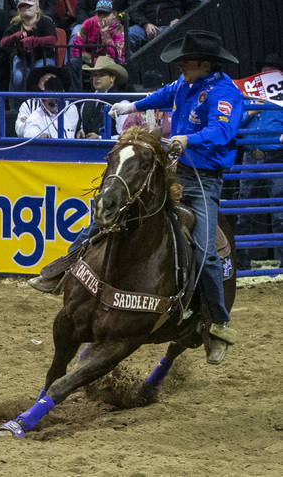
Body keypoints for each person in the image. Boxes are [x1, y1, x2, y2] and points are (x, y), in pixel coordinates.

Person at [107, 30, 243, 364]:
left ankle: (218, 322)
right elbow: (164, 94)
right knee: (120, 204)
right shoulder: (184, 86)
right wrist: (133, 105)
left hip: (203, 181)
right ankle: (68, 266)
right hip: (174, 171)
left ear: (204, 64)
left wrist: (188, 139)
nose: (181, 67)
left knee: (207, 252)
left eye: (186, 63)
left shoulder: (224, 93)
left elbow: (222, 131)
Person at [235, 54, 283, 272]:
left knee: (279, 210)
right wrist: (252, 109)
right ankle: (242, 263)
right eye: (263, 72)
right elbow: (233, 122)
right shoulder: (246, 96)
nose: (266, 76)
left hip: (275, 156)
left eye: (270, 72)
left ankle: (281, 262)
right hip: (250, 156)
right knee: (244, 210)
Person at [1, 0, 57, 91]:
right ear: (19, 10)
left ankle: (38, 102)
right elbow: (3, 43)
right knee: (18, 77)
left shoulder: (46, 21)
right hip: (22, 58)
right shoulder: (15, 24)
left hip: (43, 57)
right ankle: (17, 104)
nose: (26, 8)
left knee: (36, 74)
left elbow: (52, 39)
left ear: (37, 9)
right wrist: (14, 37)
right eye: (23, 6)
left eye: (29, 5)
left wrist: (34, 41)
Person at [71, 0, 124, 87]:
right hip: (91, 59)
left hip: (110, 61)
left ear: (114, 14)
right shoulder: (88, 23)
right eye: (100, 14)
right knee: (74, 61)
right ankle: (76, 95)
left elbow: (117, 55)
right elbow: (76, 48)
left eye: (106, 14)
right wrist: (92, 60)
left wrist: (105, 34)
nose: (102, 17)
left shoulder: (118, 29)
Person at [77, 54, 127, 138]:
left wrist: (100, 138)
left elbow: (124, 135)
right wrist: (80, 131)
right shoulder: (86, 102)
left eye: (101, 75)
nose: (97, 78)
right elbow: (82, 125)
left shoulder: (121, 103)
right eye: (95, 75)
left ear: (112, 78)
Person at [20, 73, 76, 138]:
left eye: (58, 99)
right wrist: (40, 137)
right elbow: (30, 135)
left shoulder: (66, 114)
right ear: (44, 97)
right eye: (52, 98)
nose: (55, 102)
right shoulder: (35, 118)